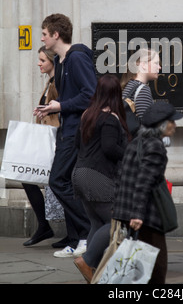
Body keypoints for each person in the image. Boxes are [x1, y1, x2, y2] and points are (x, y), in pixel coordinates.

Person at [35, 13, 97, 258]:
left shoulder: (77, 58)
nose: (42, 38)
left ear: (56, 35)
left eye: (44, 34)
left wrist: (58, 106)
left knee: (57, 181)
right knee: (69, 183)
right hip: (67, 129)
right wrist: (50, 106)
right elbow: (71, 96)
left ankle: (87, 232)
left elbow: (91, 94)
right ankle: (76, 239)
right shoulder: (61, 62)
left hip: (76, 131)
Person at [112, 101, 183, 284]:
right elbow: (144, 183)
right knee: (156, 267)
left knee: (140, 265)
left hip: (130, 211)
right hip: (146, 216)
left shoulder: (136, 141)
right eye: (171, 122)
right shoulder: (155, 147)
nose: (174, 126)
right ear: (162, 125)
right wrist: (137, 215)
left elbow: (122, 176)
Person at [72, 74, 129, 281]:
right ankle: (87, 261)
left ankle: (92, 268)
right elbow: (109, 148)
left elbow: (77, 143)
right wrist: (130, 154)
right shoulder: (110, 118)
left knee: (97, 223)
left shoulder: (87, 114)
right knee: (116, 221)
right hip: (98, 177)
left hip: (79, 173)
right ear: (116, 95)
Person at [23, 46, 60, 247]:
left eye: (42, 60)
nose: (39, 63)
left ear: (53, 62)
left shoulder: (57, 84)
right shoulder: (50, 83)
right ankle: (45, 226)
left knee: (60, 185)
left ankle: (49, 227)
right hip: (48, 141)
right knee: (28, 178)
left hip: (53, 143)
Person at [121, 48, 161, 119]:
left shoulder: (129, 85)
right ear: (143, 65)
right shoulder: (143, 90)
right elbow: (146, 125)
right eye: (156, 63)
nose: (159, 67)